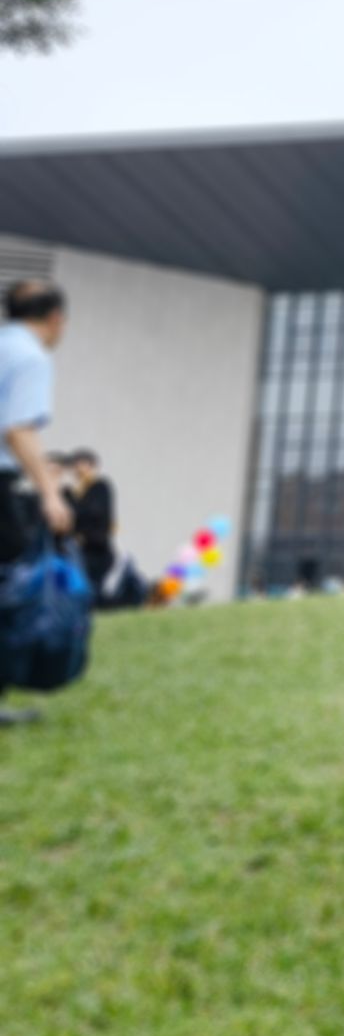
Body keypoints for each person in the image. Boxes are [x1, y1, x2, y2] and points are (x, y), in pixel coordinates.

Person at [1, 281, 72, 726]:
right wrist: (49, 491)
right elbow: (18, 430)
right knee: (12, 584)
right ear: (55, 319)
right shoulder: (31, 357)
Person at [62, 449, 124, 609]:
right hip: (79, 547)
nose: (77, 469)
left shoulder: (100, 487)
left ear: (92, 466)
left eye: (81, 464)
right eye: (75, 465)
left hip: (97, 547)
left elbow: (93, 512)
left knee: (96, 585)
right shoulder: (72, 491)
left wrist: (74, 510)